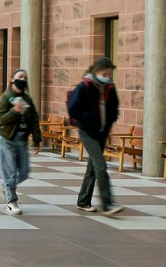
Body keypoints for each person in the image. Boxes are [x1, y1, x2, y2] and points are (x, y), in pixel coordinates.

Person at [67, 56, 124, 216]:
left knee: (92, 168)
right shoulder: (84, 86)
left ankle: (83, 201)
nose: (108, 77)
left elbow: (114, 108)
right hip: (87, 131)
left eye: (109, 74)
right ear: (98, 71)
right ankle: (108, 204)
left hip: (102, 132)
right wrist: (87, 119)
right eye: (105, 73)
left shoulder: (110, 88)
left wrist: (110, 121)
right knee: (100, 165)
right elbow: (73, 109)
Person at [0, 68, 42, 215]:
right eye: (19, 77)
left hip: (21, 139)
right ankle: (12, 202)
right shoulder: (6, 97)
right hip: (6, 140)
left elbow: (34, 119)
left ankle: (4, 185)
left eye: (25, 78)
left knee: (24, 172)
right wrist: (14, 111)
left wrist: (37, 139)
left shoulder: (27, 99)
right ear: (12, 79)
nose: (22, 80)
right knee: (10, 173)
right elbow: (0, 120)